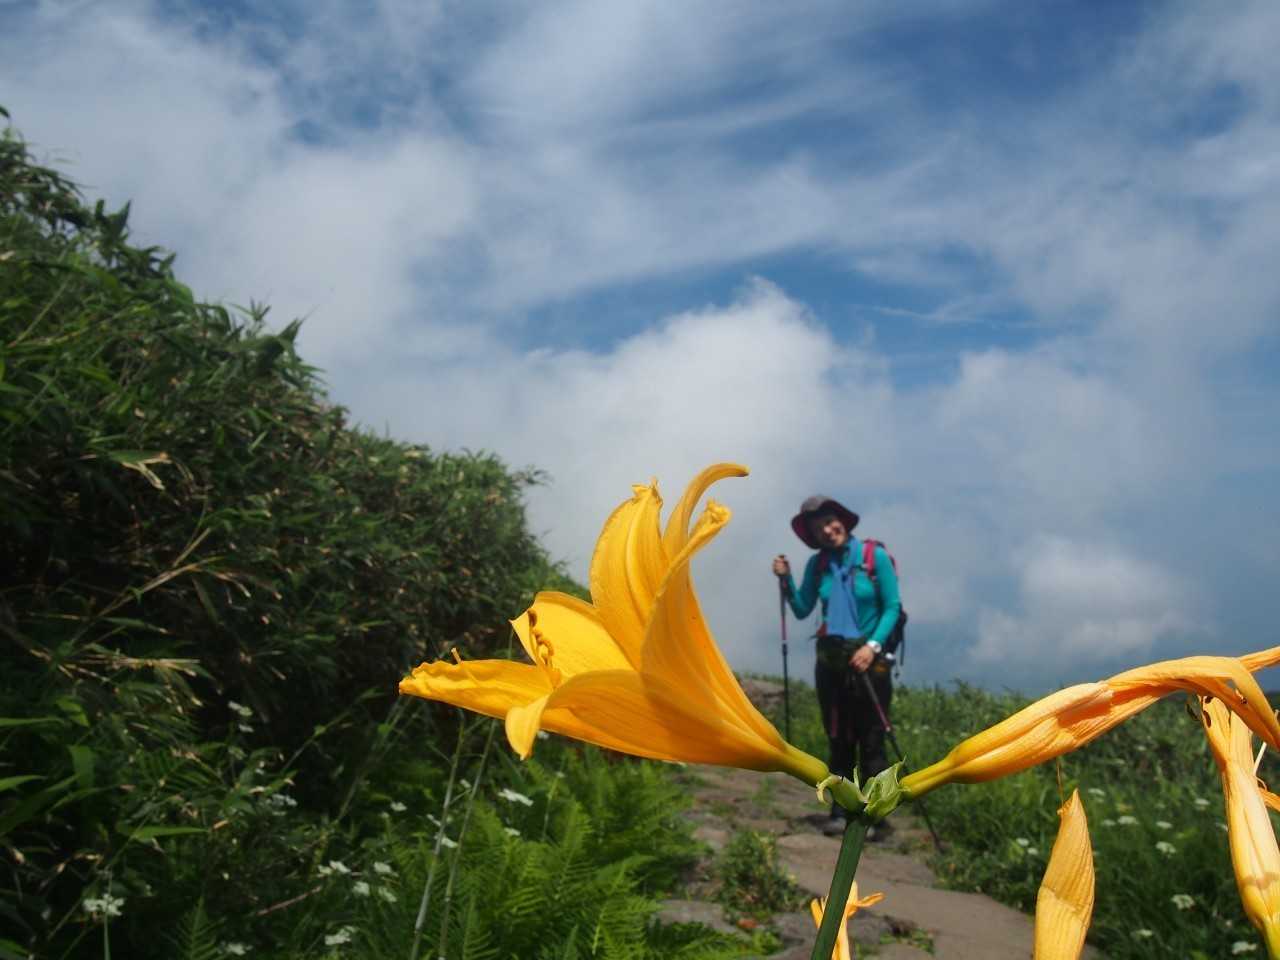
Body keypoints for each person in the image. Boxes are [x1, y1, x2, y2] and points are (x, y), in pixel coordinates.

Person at [772, 495, 902, 838]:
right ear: (814, 536)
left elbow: (892, 606)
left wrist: (872, 646)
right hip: (831, 663)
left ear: (841, 520)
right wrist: (786, 580)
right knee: (838, 738)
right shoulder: (818, 565)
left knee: (872, 739)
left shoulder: (874, 557)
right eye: (818, 529)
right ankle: (840, 812)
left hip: (869, 662)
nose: (827, 531)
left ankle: (874, 817)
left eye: (830, 522)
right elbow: (802, 608)